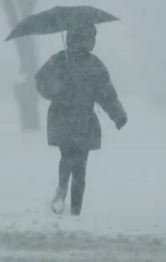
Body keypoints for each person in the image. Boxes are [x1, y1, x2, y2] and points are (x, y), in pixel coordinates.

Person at [35, 23, 127, 216]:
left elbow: (106, 94)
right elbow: (106, 94)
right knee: (78, 163)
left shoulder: (61, 60)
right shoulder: (89, 64)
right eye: (91, 38)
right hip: (79, 120)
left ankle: (66, 195)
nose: (94, 42)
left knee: (70, 158)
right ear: (81, 39)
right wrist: (117, 114)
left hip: (65, 119)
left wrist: (117, 114)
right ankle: (73, 205)